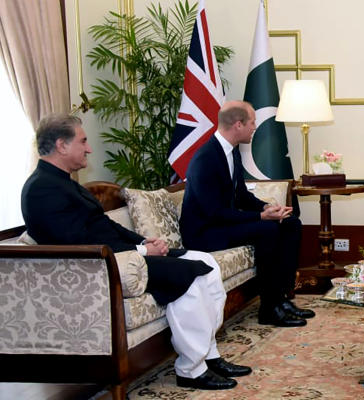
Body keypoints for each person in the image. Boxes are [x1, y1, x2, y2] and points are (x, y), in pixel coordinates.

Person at [20, 114, 250, 390]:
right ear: (61, 145)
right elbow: (79, 242)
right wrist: (140, 250)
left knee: (205, 261)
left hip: (123, 256)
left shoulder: (63, 182)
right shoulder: (41, 189)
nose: (88, 148)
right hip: (102, 268)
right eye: (83, 141)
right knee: (191, 274)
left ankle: (209, 355)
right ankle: (192, 368)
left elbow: (104, 226)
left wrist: (145, 242)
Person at [179, 101, 314, 328]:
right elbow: (214, 213)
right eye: (252, 123)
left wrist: (266, 208)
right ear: (238, 124)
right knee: (267, 230)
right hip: (204, 233)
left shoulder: (232, 152)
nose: (255, 127)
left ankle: (282, 298)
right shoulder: (206, 158)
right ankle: (269, 309)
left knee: (291, 224)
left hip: (221, 224)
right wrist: (260, 218)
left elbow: (241, 196)